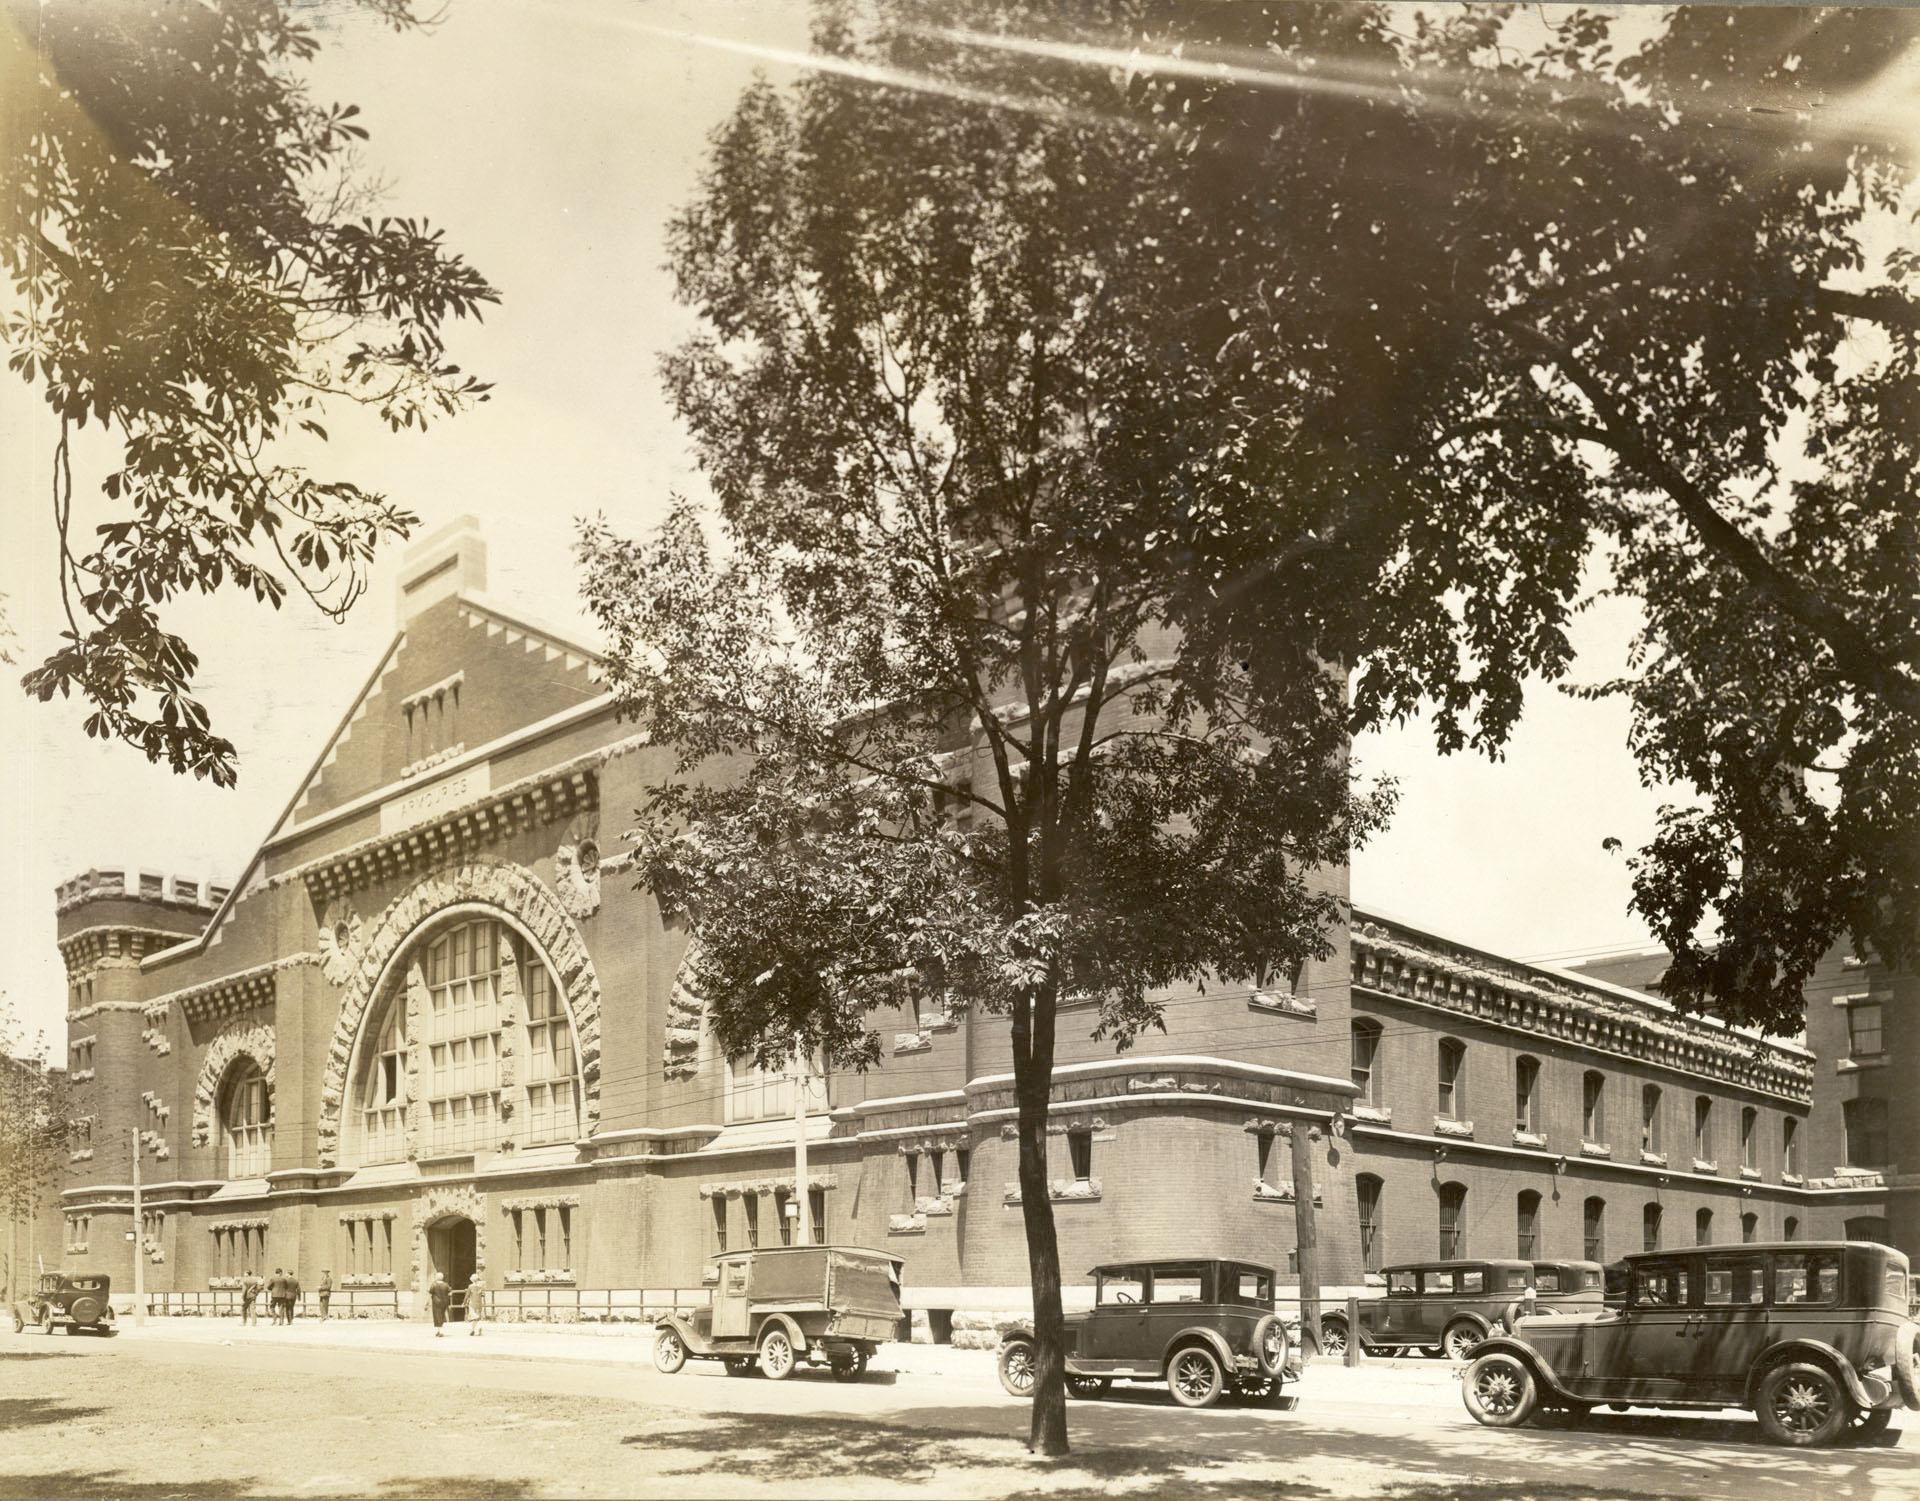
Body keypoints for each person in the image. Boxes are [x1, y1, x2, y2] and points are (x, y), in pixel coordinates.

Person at [428, 1272, 451, 1336]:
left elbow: (430, 1293)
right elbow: (450, 1293)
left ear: (436, 1277)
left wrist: (427, 1303)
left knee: (437, 1316)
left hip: (436, 1302)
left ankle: (439, 1331)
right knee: (442, 1315)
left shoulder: (433, 1284)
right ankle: (439, 1331)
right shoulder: (446, 1284)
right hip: (444, 1302)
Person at [465, 1270, 483, 1337]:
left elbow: (467, 1295)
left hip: (472, 1303)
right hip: (479, 1303)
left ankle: (473, 1330)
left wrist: (464, 1302)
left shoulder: (470, 1286)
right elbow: (483, 1295)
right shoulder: (480, 1286)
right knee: (477, 1317)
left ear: (472, 1280)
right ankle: (475, 1329)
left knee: (473, 1318)